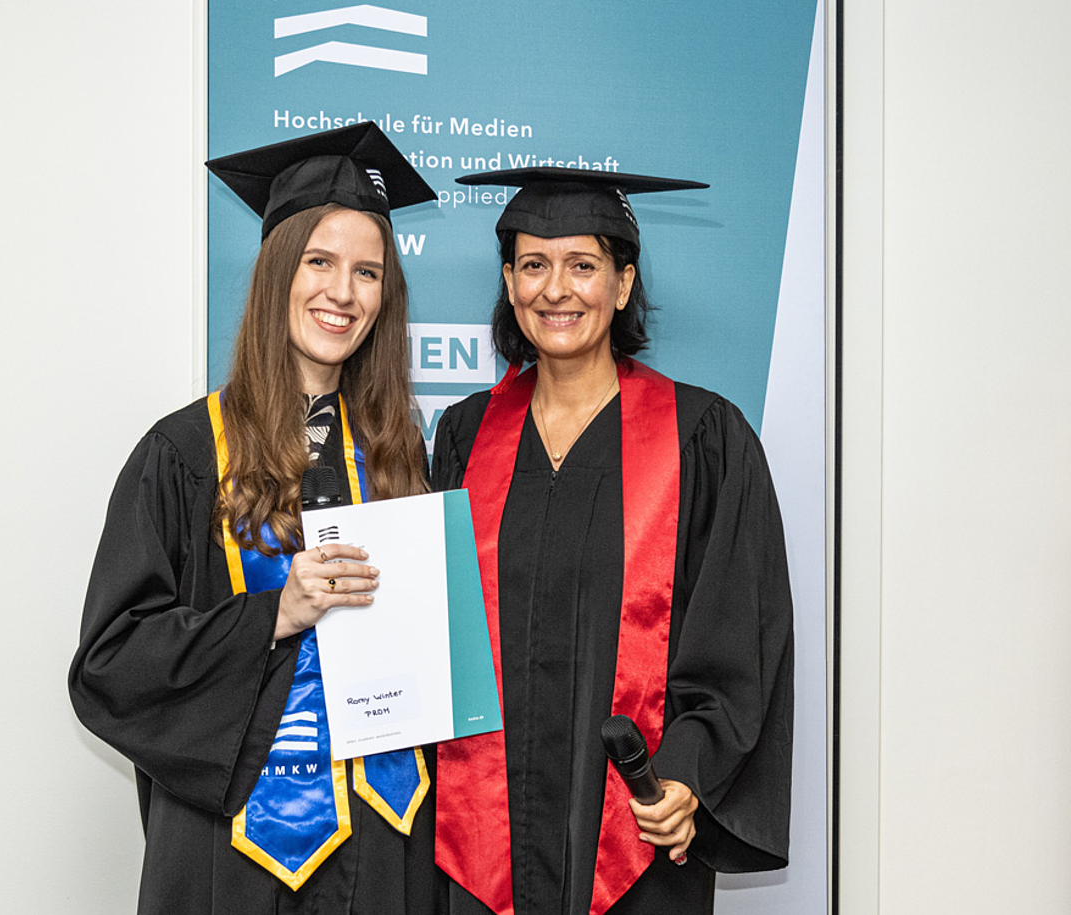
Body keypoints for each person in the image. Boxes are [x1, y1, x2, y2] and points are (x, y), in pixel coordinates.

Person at [69, 123, 438, 915]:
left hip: (385, 852)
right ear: (277, 272)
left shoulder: (400, 454)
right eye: (320, 261)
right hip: (237, 858)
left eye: (367, 272)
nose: (343, 291)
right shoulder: (185, 453)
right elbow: (110, 665)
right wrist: (274, 613)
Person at [431, 168, 794, 915]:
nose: (555, 289)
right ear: (508, 280)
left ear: (623, 283)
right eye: (533, 264)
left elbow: (739, 637)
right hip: (481, 847)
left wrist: (688, 776)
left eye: (583, 265)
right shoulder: (464, 437)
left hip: (637, 831)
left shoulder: (703, 438)